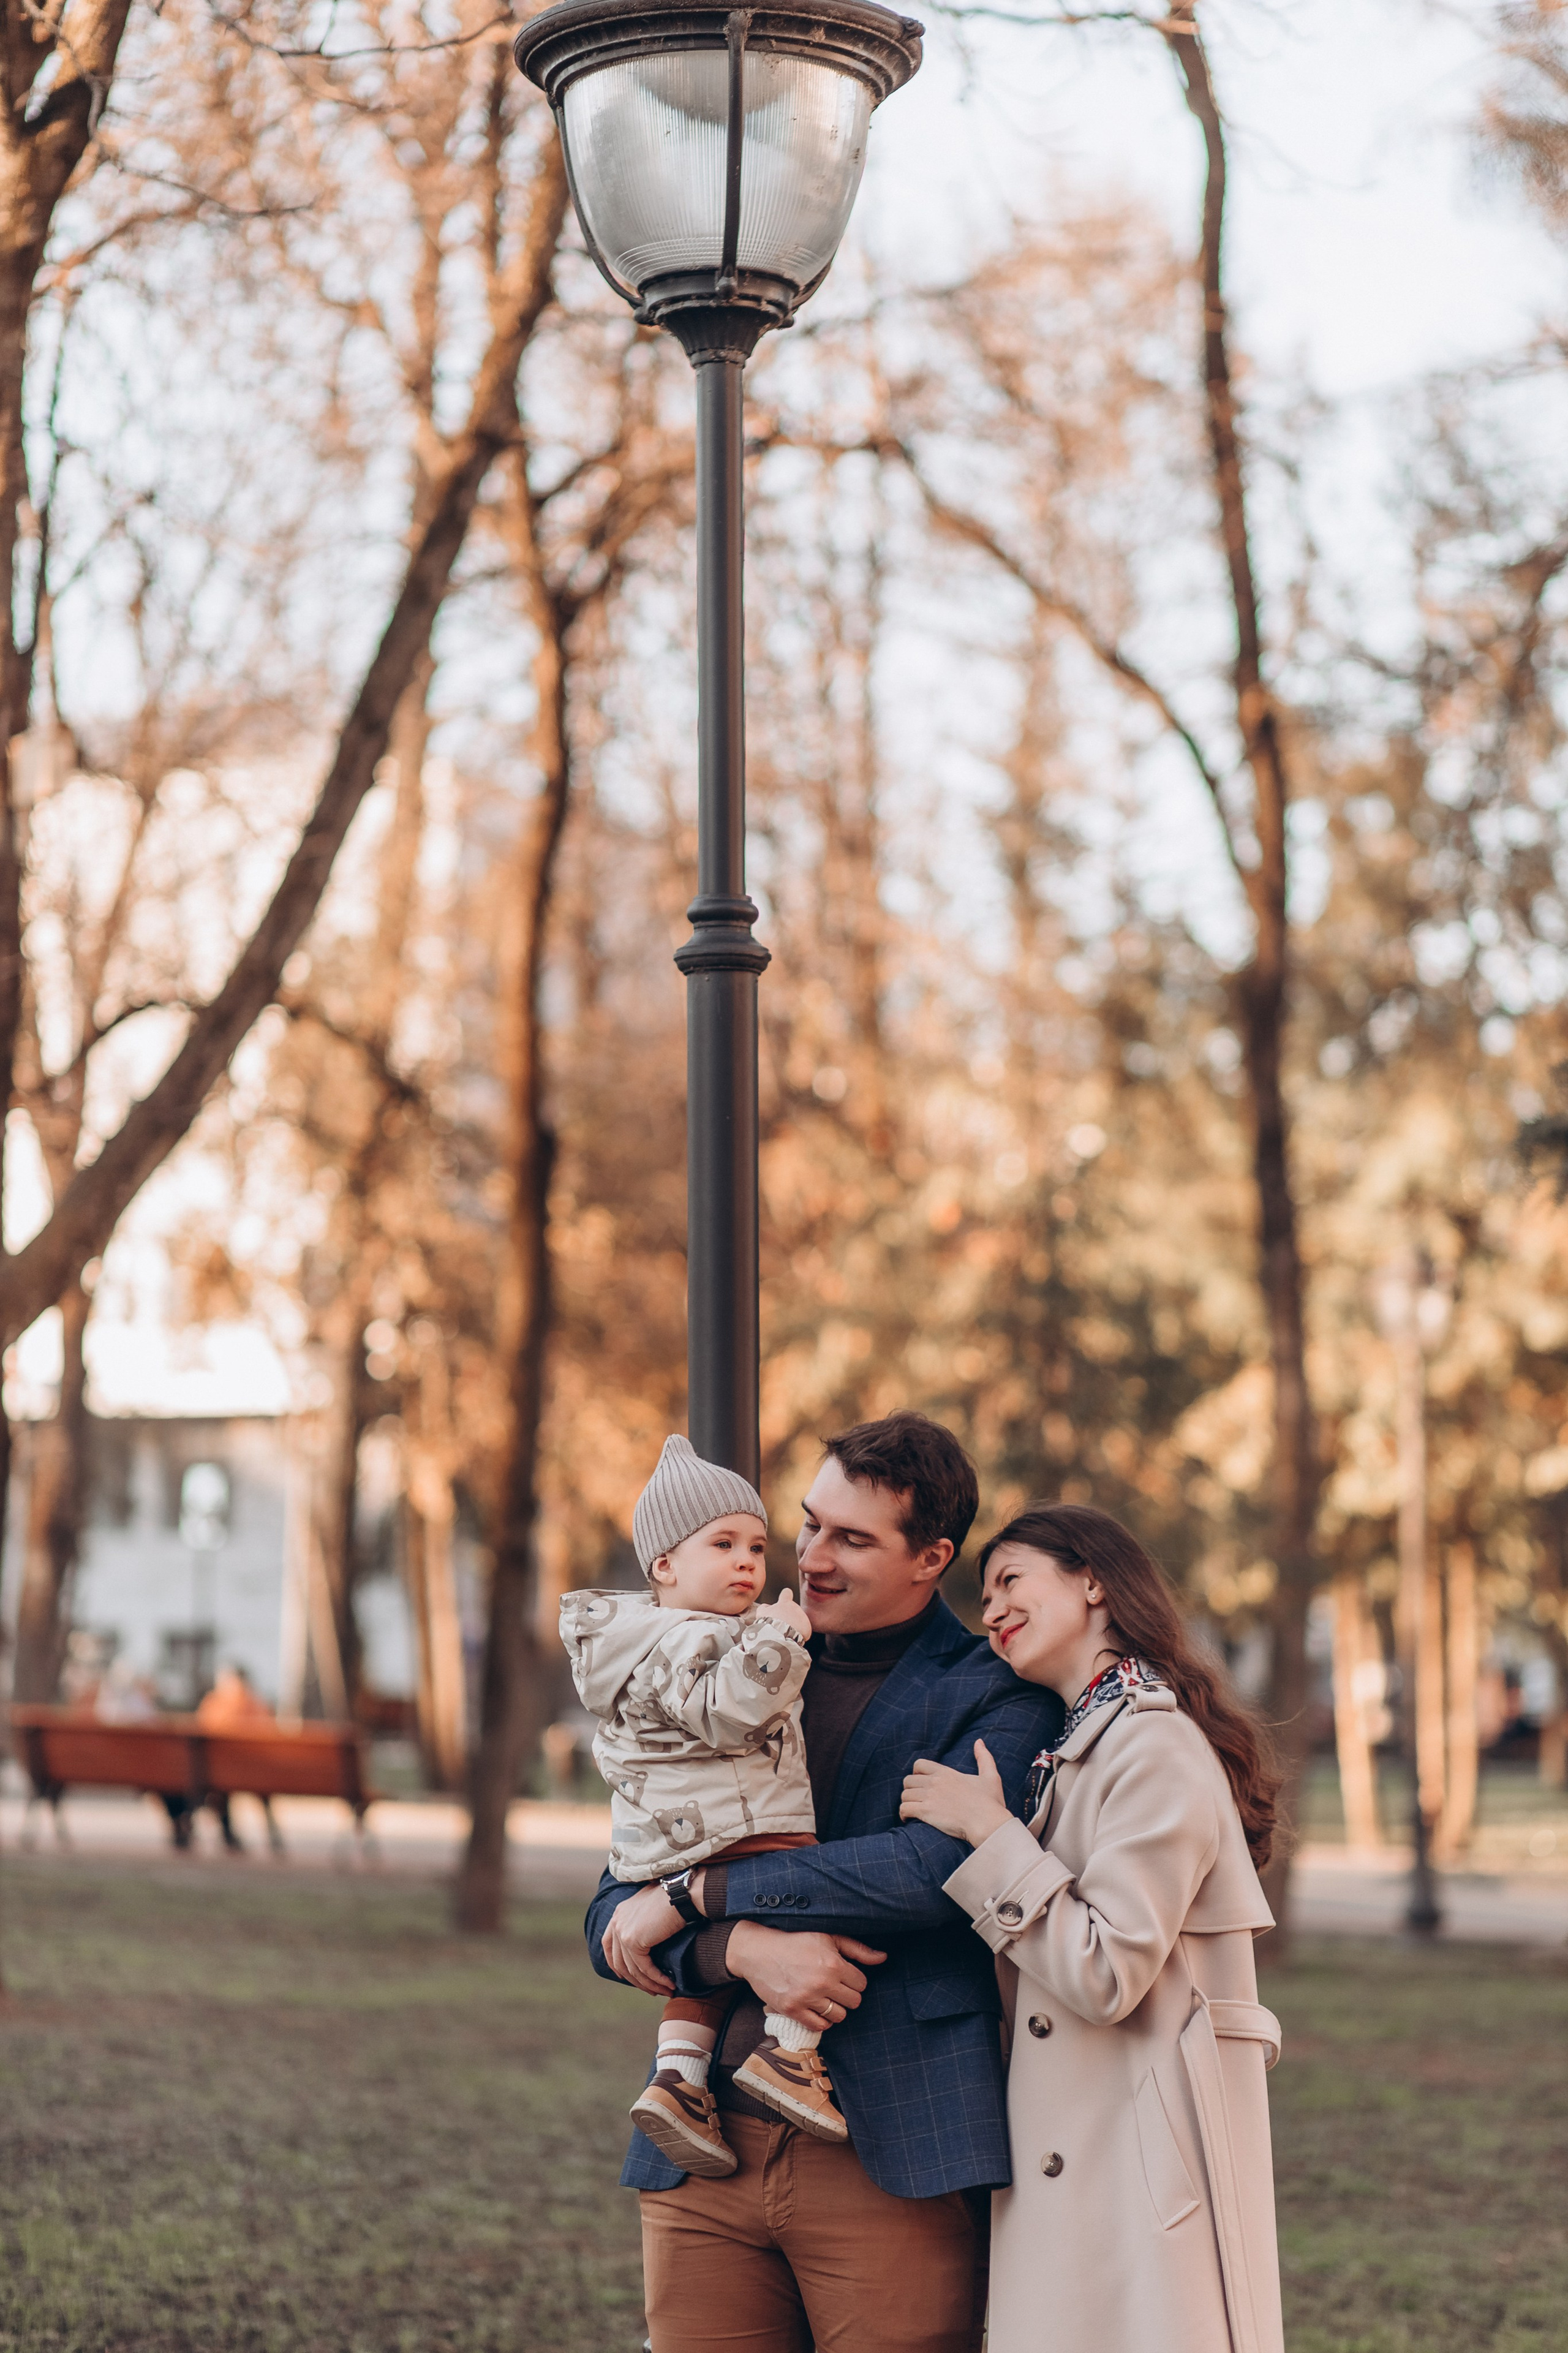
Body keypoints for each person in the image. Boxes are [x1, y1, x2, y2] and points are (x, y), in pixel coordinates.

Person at [586, 1411, 1064, 2353]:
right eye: (809, 1524)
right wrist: (739, 1949)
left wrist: (703, 1900)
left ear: (932, 1556)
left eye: (853, 1537)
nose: (811, 1556)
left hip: (891, 2147)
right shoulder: (713, 1662)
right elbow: (614, 1909)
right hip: (703, 2138)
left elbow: (934, 1873)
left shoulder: (997, 1693)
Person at [900, 1503, 1285, 2353]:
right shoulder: (1086, 1744)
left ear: (1094, 1581)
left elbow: (1109, 1970)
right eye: (983, 1593)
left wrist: (989, 1835)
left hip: (1138, 2184)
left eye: (1010, 1581)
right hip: (1088, 2164)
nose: (991, 1608)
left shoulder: (1153, 1744)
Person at [562, 1434, 845, 2178]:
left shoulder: (646, 1640)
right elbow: (730, 1712)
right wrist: (783, 1636)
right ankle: (790, 2053)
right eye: (722, 1543)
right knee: (809, 1898)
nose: (747, 1561)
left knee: (711, 1974)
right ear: (665, 1566)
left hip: (677, 1836)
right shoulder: (684, 1637)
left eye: (756, 1544)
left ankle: (679, 2080)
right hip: (733, 1826)